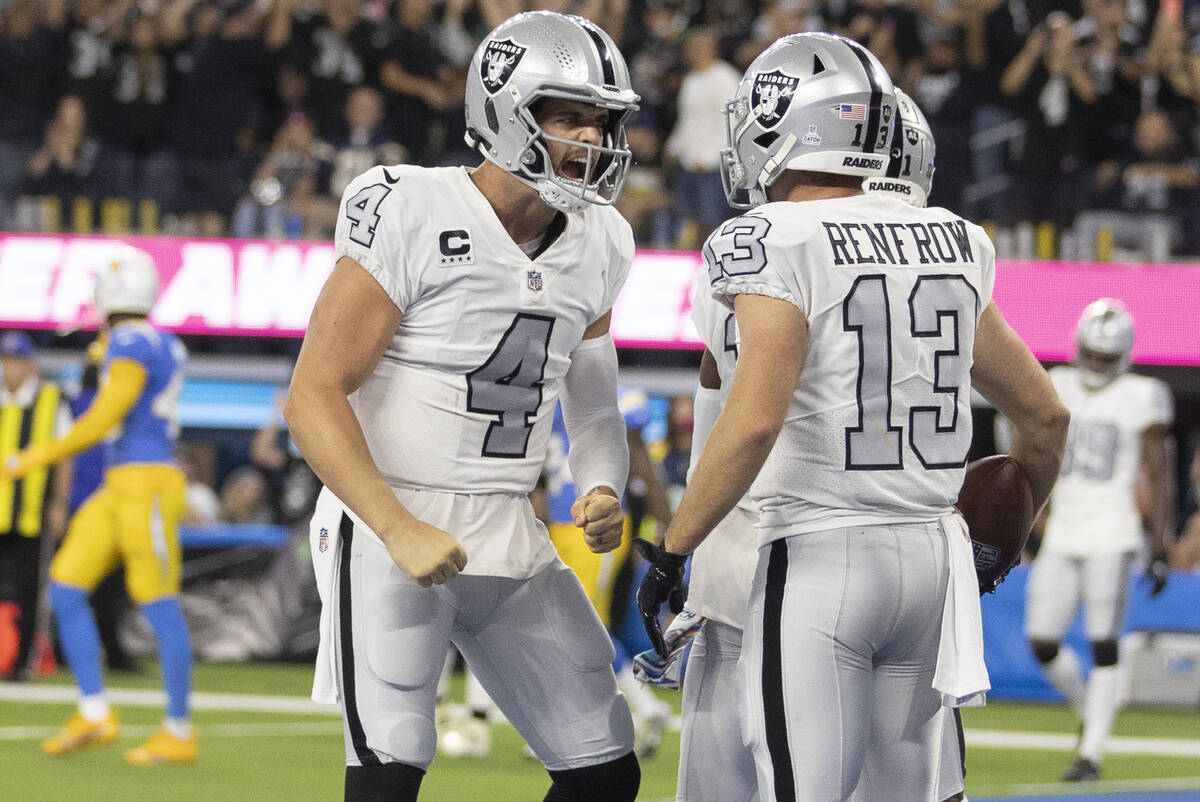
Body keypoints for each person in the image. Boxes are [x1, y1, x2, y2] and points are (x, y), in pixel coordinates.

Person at [635, 32, 1069, 801]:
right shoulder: (956, 239)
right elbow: (1045, 418)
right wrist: (1005, 537)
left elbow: (752, 416)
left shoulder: (764, 238)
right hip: (932, 558)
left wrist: (674, 548)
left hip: (814, 553)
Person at [284, 11, 643, 801]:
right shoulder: (412, 205)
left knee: (604, 771)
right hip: (391, 515)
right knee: (392, 763)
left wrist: (604, 482)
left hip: (508, 524)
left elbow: (592, 406)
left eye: (604, 120)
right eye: (571, 117)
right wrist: (395, 525)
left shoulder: (603, 238)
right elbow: (312, 392)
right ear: (506, 112)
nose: (595, 139)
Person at [1, 248, 194, 764]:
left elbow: (107, 412)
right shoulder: (149, 340)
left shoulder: (130, 340)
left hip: (147, 482)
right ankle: (93, 711)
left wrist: (35, 457)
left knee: (158, 601)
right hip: (122, 480)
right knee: (65, 587)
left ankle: (178, 730)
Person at [1024, 298, 1173, 783]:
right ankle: (1090, 708)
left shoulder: (1142, 394)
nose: (1096, 364)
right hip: (1065, 529)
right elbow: (1030, 448)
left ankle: (1091, 754)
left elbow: (1158, 469)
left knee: (1102, 640)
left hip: (1113, 530)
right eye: (1091, 352)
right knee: (1042, 640)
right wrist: (1030, 516)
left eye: (1106, 357)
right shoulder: (1058, 382)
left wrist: (1161, 542)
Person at [0, 331, 72, 681]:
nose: (10, 368)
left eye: (16, 361)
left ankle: (21, 663)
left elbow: (65, 456)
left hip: (31, 512)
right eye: (5, 360)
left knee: (30, 593)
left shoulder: (50, 399)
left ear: (30, 364)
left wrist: (59, 501)